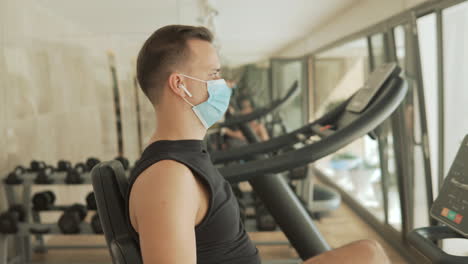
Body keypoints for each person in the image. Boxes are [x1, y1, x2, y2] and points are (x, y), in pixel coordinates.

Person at [127, 24, 391, 264]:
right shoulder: (168, 178)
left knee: (368, 251)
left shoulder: (185, 157)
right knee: (368, 256)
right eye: (214, 73)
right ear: (179, 84)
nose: (223, 84)